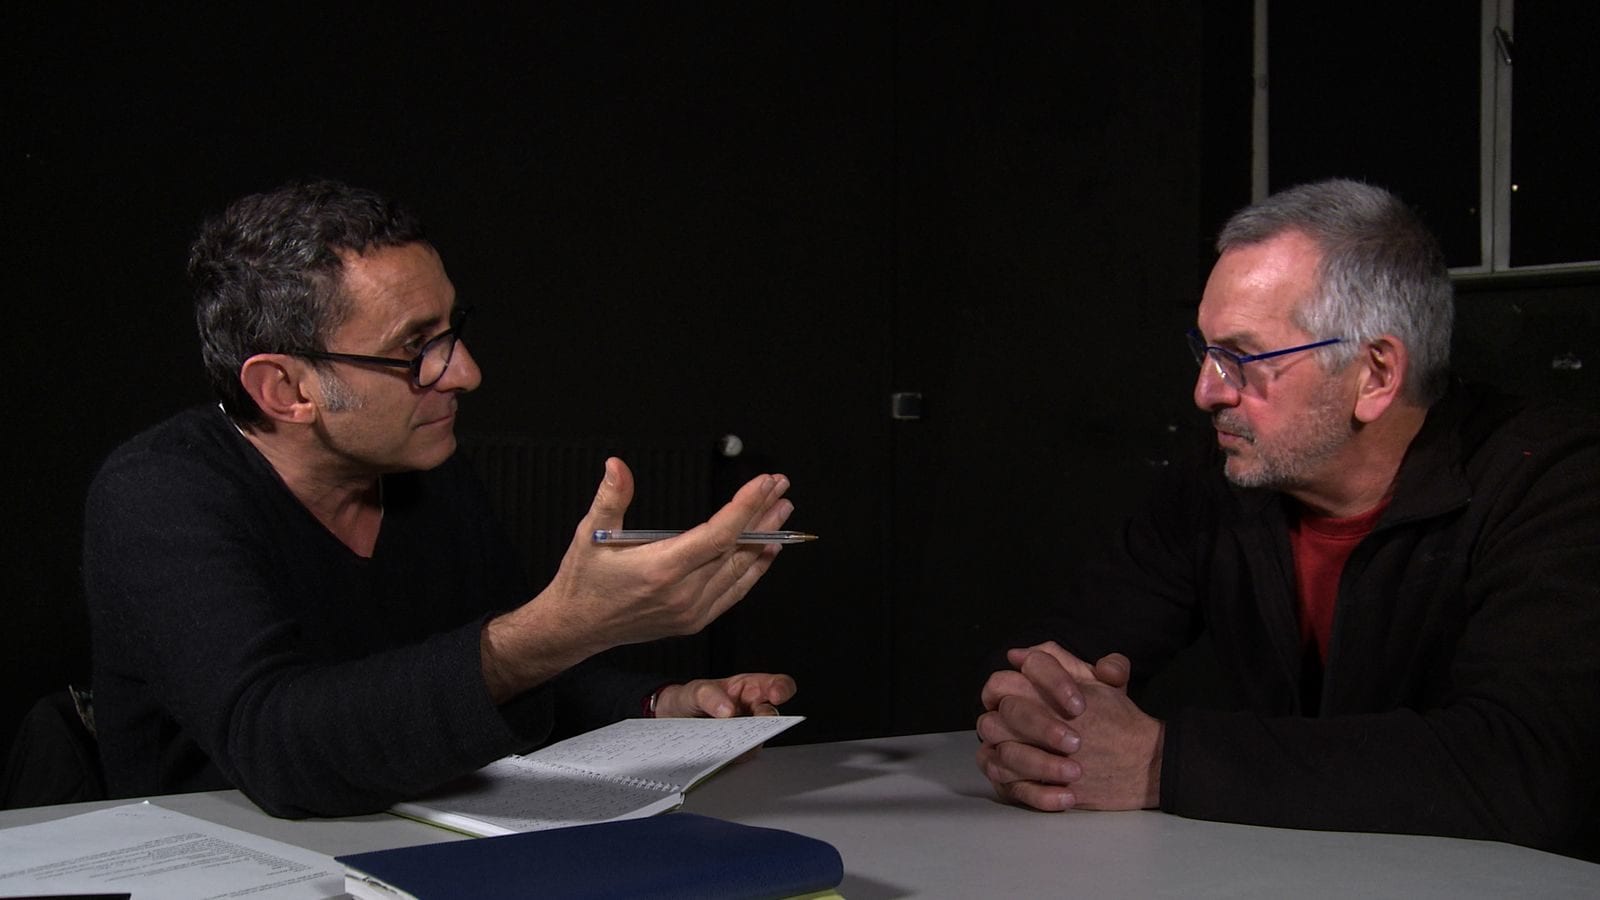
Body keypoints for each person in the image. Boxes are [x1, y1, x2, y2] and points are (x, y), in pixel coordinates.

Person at [84, 179, 799, 818]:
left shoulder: (424, 469)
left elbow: (490, 683)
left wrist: (657, 708)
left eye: (453, 329)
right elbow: (278, 749)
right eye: (414, 347)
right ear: (286, 389)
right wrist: (559, 629)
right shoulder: (159, 495)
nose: (465, 372)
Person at [976, 179, 1600, 857]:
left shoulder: (1556, 481)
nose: (1206, 392)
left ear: (1375, 374)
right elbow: (1059, 651)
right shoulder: (1220, 483)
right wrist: (1037, 716)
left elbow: (1528, 768)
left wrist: (1162, 762)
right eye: (1206, 351)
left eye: (1243, 358)